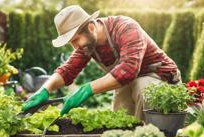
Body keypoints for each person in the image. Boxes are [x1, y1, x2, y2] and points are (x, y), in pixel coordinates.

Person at [22, 5, 181, 121]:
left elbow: (128, 70)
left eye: (76, 39)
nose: (75, 47)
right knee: (121, 113)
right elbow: (68, 70)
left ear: (91, 27)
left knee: (144, 87)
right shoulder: (88, 44)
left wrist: (86, 90)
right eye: (71, 42)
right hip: (128, 82)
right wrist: (44, 89)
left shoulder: (126, 27)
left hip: (161, 78)